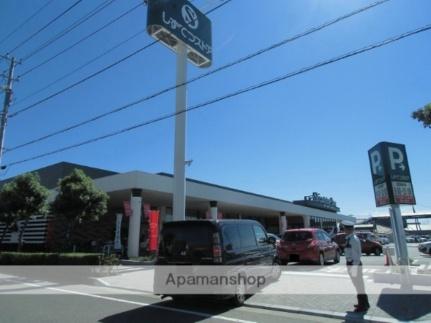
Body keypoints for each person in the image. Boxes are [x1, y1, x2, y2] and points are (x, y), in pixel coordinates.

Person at [342, 220, 370, 312]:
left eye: (345, 228)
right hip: (352, 264)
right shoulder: (349, 238)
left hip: (354, 265)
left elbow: (356, 256)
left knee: (358, 285)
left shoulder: (353, 239)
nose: (344, 230)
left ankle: (362, 306)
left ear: (349, 229)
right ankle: (364, 303)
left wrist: (353, 268)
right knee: (358, 285)